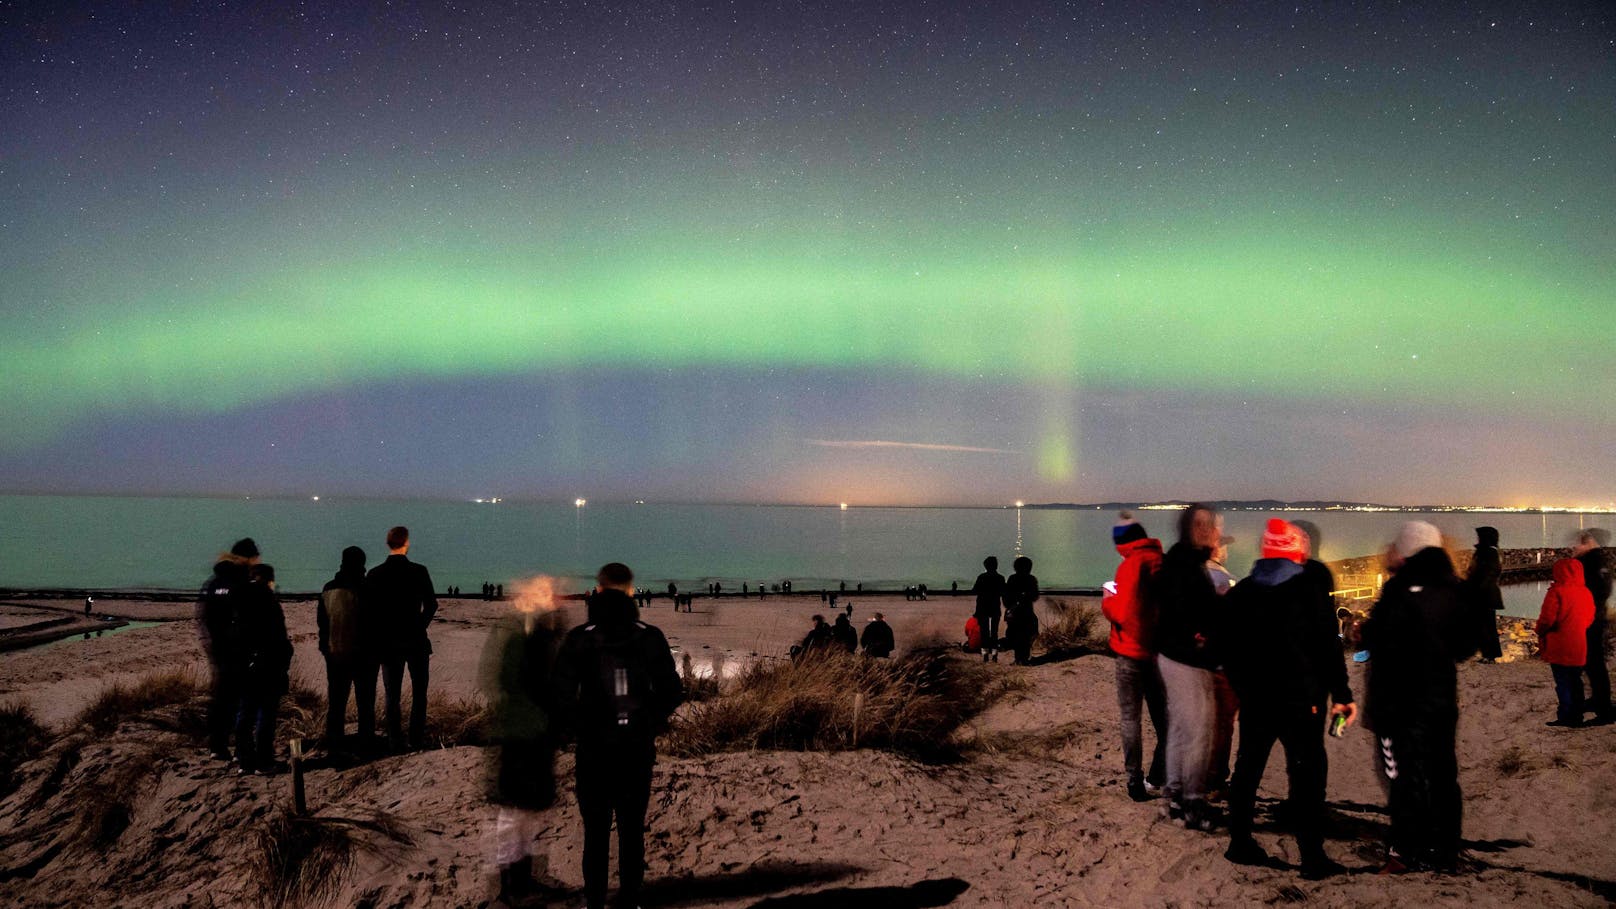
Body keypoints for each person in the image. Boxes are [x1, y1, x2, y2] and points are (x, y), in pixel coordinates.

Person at [1220, 519, 1357, 879]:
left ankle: (1239, 843)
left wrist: (1243, 686)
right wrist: (1341, 695)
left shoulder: (1242, 593)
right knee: (1308, 774)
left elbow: (1224, 648)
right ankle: (1312, 857)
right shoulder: (1308, 591)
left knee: (1248, 769)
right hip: (1302, 701)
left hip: (1257, 701)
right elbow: (1330, 650)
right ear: (1295, 551)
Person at [552, 563, 683, 909]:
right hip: (636, 750)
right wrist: (649, 721)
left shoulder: (580, 637)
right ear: (630, 590)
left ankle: (595, 900)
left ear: (598, 589)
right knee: (631, 829)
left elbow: (560, 695)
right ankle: (630, 899)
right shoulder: (649, 635)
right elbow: (672, 691)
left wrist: (579, 727)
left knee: (595, 833)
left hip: (593, 751)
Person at [1360, 521, 1477, 873]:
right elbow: (1466, 646)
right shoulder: (1454, 588)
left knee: (1401, 776)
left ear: (1407, 549)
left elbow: (1377, 640)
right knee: (1442, 774)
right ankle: (1445, 849)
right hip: (1440, 699)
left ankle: (1404, 851)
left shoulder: (1398, 590)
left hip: (1397, 704)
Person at [480, 580, 564, 904]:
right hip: (520, 735)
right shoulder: (518, 639)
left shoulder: (528, 638)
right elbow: (510, 683)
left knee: (525, 810)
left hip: (532, 734)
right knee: (514, 812)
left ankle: (522, 879)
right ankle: (510, 885)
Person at [1149, 503, 1224, 830]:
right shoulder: (1184, 565)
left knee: (1180, 729)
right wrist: (1203, 636)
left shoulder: (1183, 560)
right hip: (1186, 658)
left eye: (1212, 524)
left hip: (1173, 654)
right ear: (1189, 528)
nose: (1210, 530)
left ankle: (1176, 795)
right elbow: (1186, 610)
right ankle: (1192, 802)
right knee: (1197, 732)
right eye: (1202, 524)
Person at [1102, 512, 1167, 802]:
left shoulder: (1131, 566)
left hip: (1131, 653)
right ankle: (1159, 775)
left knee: (1131, 719)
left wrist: (1108, 600)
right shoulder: (1163, 563)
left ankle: (1134, 781)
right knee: (1164, 719)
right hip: (1159, 653)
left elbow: (1124, 613)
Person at [367, 526, 440, 752]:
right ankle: (416, 739)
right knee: (419, 693)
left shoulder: (375, 574)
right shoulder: (419, 571)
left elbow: (370, 610)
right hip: (416, 640)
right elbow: (432, 604)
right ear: (406, 543)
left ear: (388, 544)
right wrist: (419, 624)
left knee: (392, 694)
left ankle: (395, 741)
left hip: (388, 642)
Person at [197, 538, 258, 762]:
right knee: (243, 700)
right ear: (247, 558)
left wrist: (213, 644)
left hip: (220, 649)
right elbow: (247, 617)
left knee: (222, 698)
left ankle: (218, 745)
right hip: (237, 650)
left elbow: (205, 616)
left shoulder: (215, 582)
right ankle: (242, 749)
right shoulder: (240, 582)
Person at [236, 563, 293, 775]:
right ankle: (263, 761)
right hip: (268, 665)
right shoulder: (270, 602)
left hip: (244, 665)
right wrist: (285, 657)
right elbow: (278, 637)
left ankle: (244, 760)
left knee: (245, 714)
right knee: (265, 715)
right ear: (269, 580)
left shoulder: (239, 601)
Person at [318, 546, 375, 752]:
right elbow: (372, 622)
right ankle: (365, 745)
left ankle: (335, 746)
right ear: (362, 564)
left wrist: (325, 647)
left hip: (335, 653)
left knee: (336, 703)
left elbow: (322, 622)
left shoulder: (328, 588)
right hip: (363, 654)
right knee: (365, 703)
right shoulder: (367, 588)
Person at [1536, 558, 1595, 727]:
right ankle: (1577, 715)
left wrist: (1539, 630)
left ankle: (1566, 716)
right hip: (1579, 643)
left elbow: (1547, 619)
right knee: (1576, 681)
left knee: (1562, 682)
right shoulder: (1585, 592)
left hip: (1559, 644)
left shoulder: (1556, 592)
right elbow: (1590, 616)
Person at [1572, 530, 1613, 724]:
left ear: (1590, 543)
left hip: (1591, 620)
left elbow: (1592, 591)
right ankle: (1598, 700)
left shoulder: (1592, 562)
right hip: (1594, 617)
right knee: (1591, 663)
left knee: (1594, 663)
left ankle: (1604, 711)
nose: (1576, 546)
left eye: (1581, 543)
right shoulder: (1599, 561)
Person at [1465, 527, 1505, 663]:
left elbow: (1486, 573)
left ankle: (1489, 654)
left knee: (1486, 625)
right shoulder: (1489, 551)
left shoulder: (1488, 552)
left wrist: (1474, 587)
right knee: (1485, 625)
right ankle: (1487, 654)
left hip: (1483, 594)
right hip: (1485, 593)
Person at [1003, 556, 1040, 665]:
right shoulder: (1031, 579)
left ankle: (1019, 658)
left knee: (1016, 634)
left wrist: (1009, 605)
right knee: (1026, 635)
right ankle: (1023, 658)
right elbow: (1034, 596)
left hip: (1015, 612)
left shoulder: (1012, 578)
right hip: (1026, 611)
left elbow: (1006, 595)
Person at [971, 556, 1007, 663]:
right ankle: (994, 654)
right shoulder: (1000, 578)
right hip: (995, 606)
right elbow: (1003, 592)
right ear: (996, 566)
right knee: (994, 631)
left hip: (982, 606)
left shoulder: (981, 577)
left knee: (984, 631)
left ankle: (985, 654)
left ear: (985, 566)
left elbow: (975, 590)